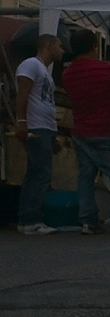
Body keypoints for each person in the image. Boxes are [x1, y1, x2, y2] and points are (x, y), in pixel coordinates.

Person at [60, 28, 110, 235]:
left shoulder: (68, 74)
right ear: (94, 46)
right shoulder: (106, 69)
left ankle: (88, 220)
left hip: (81, 130)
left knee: (86, 176)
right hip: (105, 129)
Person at [13, 32, 64, 235]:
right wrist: (22, 121)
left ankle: (29, 218)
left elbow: (45, 102)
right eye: (59, 46)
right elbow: (23, 93)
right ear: (49, 45)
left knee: (37, 172)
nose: (62, 50)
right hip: (35, 125)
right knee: (40, 173)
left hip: (45, 126)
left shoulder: (45, 71)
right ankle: (29, 219)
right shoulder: (31, 65)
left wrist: (54, 134)